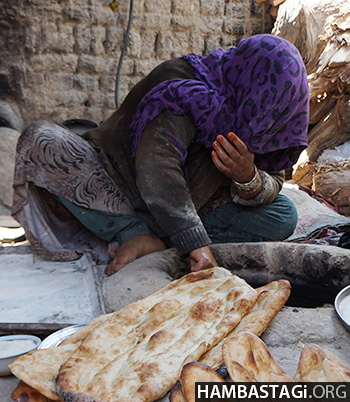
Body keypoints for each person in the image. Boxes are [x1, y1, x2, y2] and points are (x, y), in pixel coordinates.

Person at [12, 34, 309, 275]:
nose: (263, 121)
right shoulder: (183, 87)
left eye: (276, 113)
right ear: (250, 82)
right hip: (119, 183)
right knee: (42, 142)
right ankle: (137, 232)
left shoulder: (266, 119)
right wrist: (196, 246)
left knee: (283, 215)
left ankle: (155, 239)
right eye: (264, 107)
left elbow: (275, 178)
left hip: (193, 203)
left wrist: (247, 177)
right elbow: (157, 164)